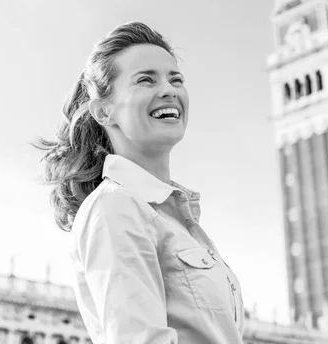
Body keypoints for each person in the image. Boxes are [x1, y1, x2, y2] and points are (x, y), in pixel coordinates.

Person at [35, 22, 245, 344]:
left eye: (176, 79)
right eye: (145, 80)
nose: (168, 89)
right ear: (104, 112)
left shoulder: (175, 219)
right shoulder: (116, 206)